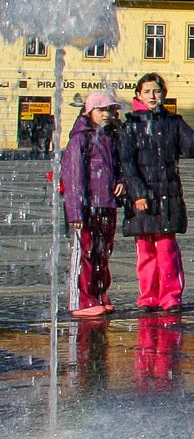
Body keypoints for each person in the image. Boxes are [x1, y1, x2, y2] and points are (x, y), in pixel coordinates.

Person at [118, 73, 194, 312]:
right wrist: (138, 193)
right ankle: (148, 297)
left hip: (168, 196)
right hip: (142, 198)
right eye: (147, 92)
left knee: (167, 249)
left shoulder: (173, 122)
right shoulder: (131, 125)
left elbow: (188, 144)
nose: (152, 96)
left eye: (156, 91)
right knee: (145, 251)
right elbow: (126, 163)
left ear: (163, 94)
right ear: (138, 95)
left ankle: (170, 296)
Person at [61, 91, 125, 317]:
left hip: (106, 204)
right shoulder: (81, 139)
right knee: (85, 253)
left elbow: (118, 166)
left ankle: (99, 293)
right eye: (101, 110)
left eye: (110, 110)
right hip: (87, 207)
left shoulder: (110, 137)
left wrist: (121, 181)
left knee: (103, 252)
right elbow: (74, 177)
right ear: (89, 112)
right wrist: (75, 212)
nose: (106, 114)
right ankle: (82, 300)